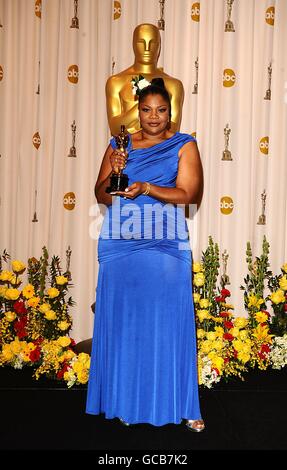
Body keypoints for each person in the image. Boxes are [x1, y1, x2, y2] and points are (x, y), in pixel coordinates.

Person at [86, 78, 205, 431]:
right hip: (121, 242)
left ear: (171, 113)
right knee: (127, 325)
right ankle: (124, 400)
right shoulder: (119, 145)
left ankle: (185, 405)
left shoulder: (184, 145)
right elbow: (102, 196)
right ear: (138, 111)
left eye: (161, 110)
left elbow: (190, 194)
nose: (154, 116)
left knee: (170, 323)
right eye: (147, 109)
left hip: (165, 242)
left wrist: (148, 188)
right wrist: (118, 174)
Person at [106, 23, 184, 136]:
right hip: (128, 151)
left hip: (161, 151)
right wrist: (145, 101)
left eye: (152, 43)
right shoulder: (116, 82)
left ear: (159, 46)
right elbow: (115, 129)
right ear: (133, 44)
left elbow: (173, 130)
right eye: (141, 43)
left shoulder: (173, 84)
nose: (147, 48)